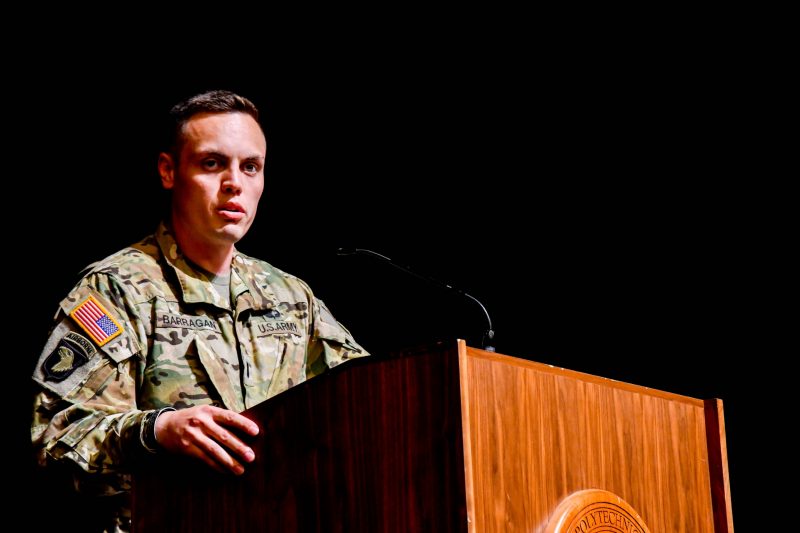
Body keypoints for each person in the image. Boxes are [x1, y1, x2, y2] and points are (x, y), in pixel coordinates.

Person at [30, 90, 369, 532]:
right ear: (169, 171)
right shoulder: (116, 289)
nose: (235, 183)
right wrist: (158, 432)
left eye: (251, 167)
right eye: (212, 163)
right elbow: (56, 437)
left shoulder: (290, 295)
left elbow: (367, 400)